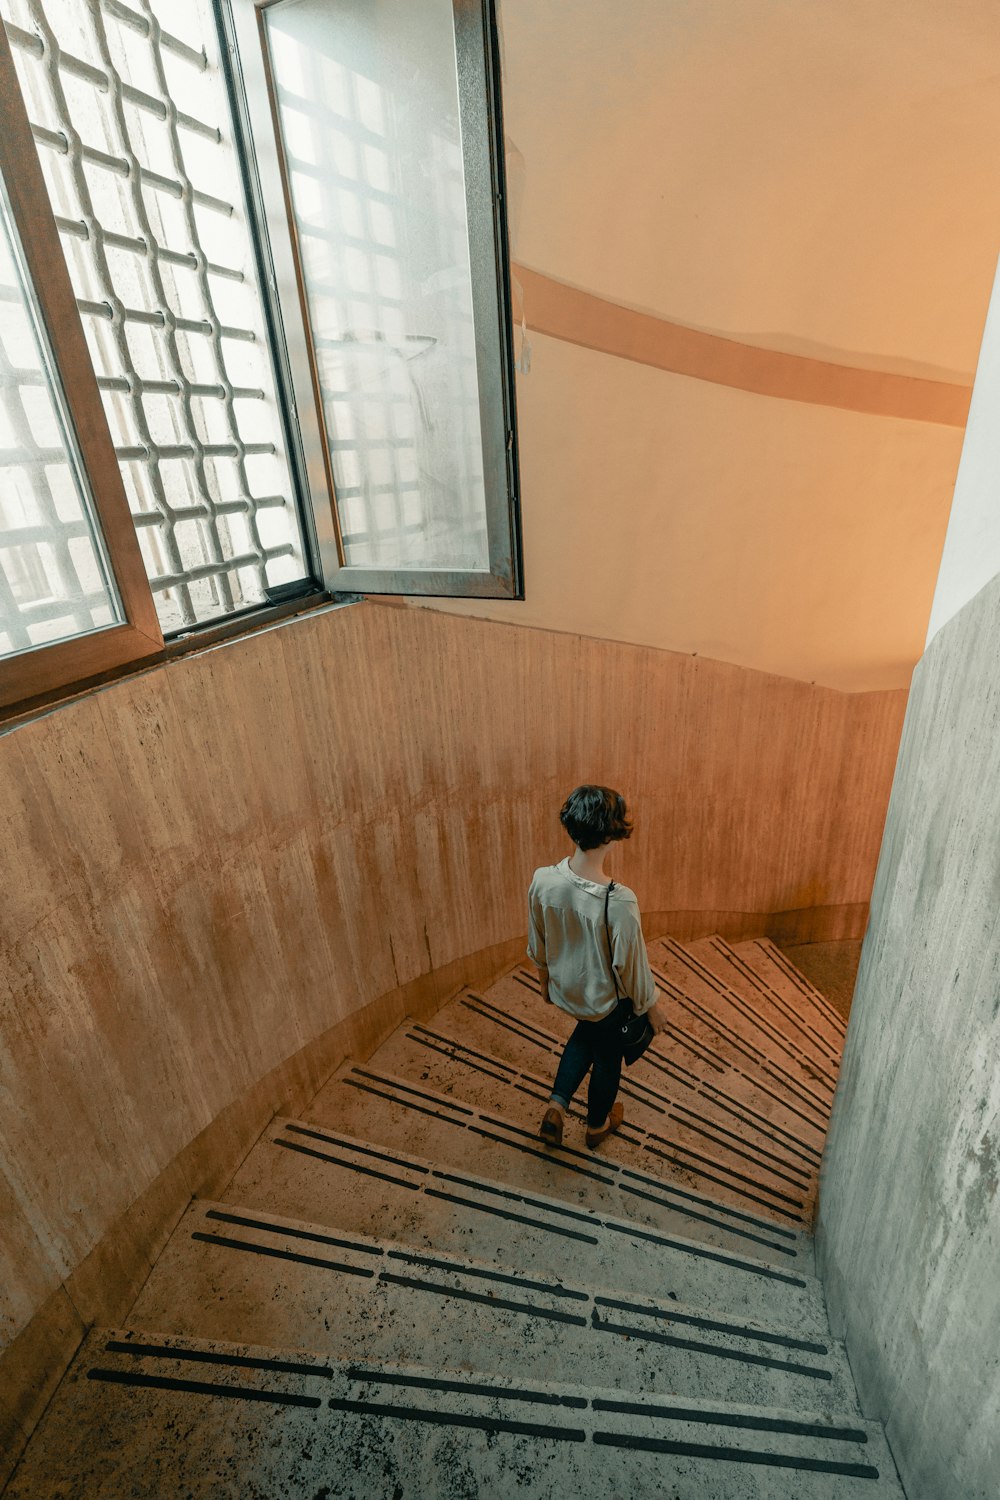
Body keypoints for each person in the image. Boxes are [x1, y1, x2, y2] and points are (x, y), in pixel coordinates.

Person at [527, 785, 667, 1150]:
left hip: (565, 991)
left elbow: (537, 941)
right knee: (607, 1057)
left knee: (585, 1035)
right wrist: (651, 1008)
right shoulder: (619, 901)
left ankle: (556, 1107)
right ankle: (596, 1126)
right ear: (611, 835)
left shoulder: (543, 880)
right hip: (601, 1001)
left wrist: (545, 983)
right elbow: (632, 970)